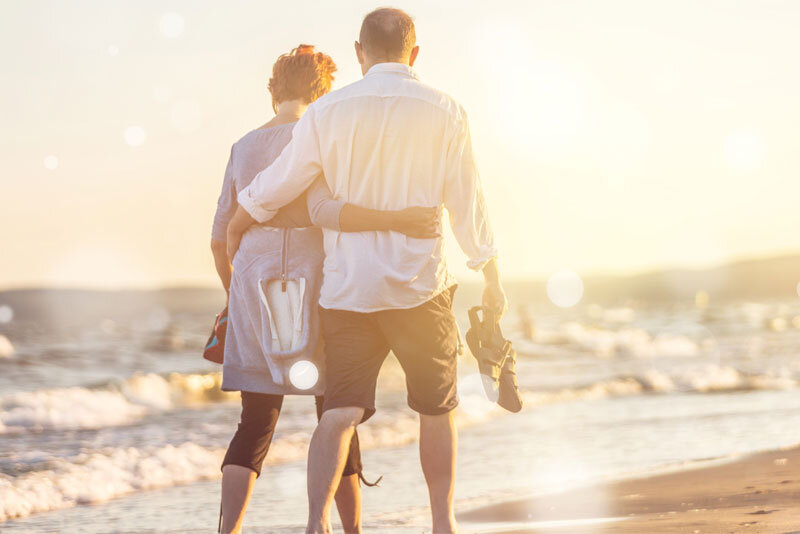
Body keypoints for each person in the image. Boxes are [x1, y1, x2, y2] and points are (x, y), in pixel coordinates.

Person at [227, 9, 507, 533]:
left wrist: (243, 217)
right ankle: (442, 523)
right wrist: (488, 270)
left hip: (348, 291)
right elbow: (468, 201)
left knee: (340, 411)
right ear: (415, 53)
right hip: (420, 287)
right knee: (435, 408)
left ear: (359, 52)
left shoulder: (327, 112)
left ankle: (316, 524)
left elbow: (282, 182)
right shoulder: (446, 109)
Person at [210, 44, 440, 534]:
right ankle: (349, 530)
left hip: (254, 272)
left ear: (275, 89)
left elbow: (218, 239)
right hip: (317, 272)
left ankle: (226, 531)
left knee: (255, 420)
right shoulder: (326, 133)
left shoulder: (243, 146)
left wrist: (235, 299)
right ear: (323, 90)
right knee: (334, 408)